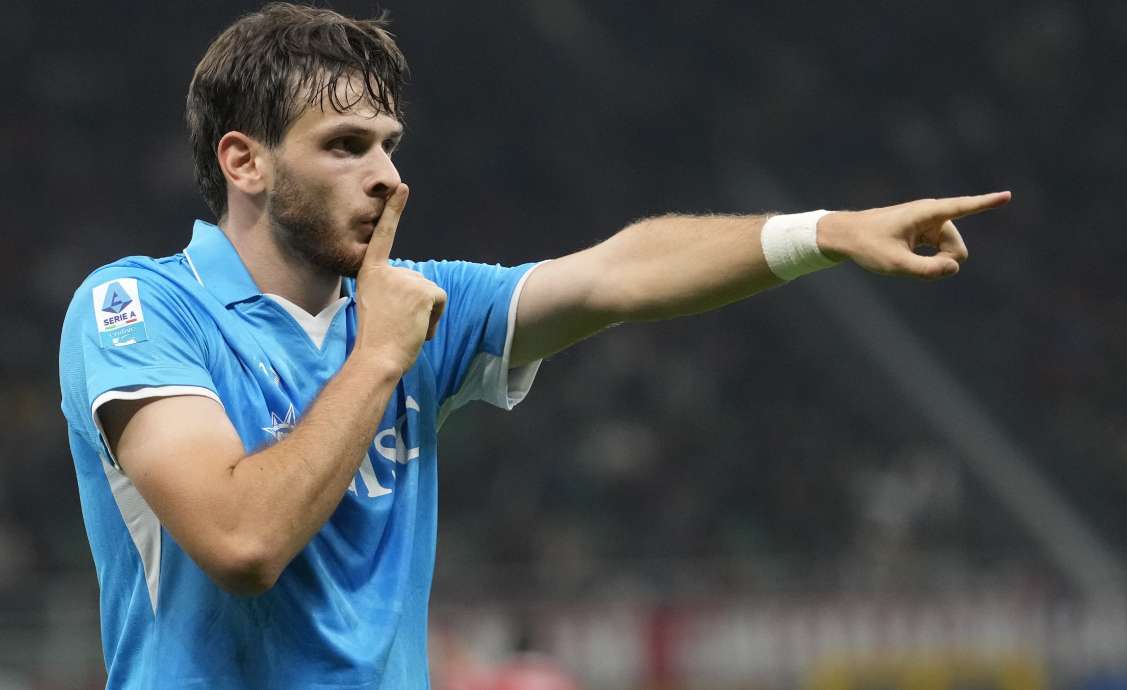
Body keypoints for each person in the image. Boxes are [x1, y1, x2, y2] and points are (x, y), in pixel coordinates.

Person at [57, 3, 1010, 688]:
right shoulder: (140, 309)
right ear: (244, 160)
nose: (387, 177)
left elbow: (617, 273)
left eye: (390, 145)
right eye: (346, 147)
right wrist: (382, 356)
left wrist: (827, 233)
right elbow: (242, 540)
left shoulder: (418, 303)